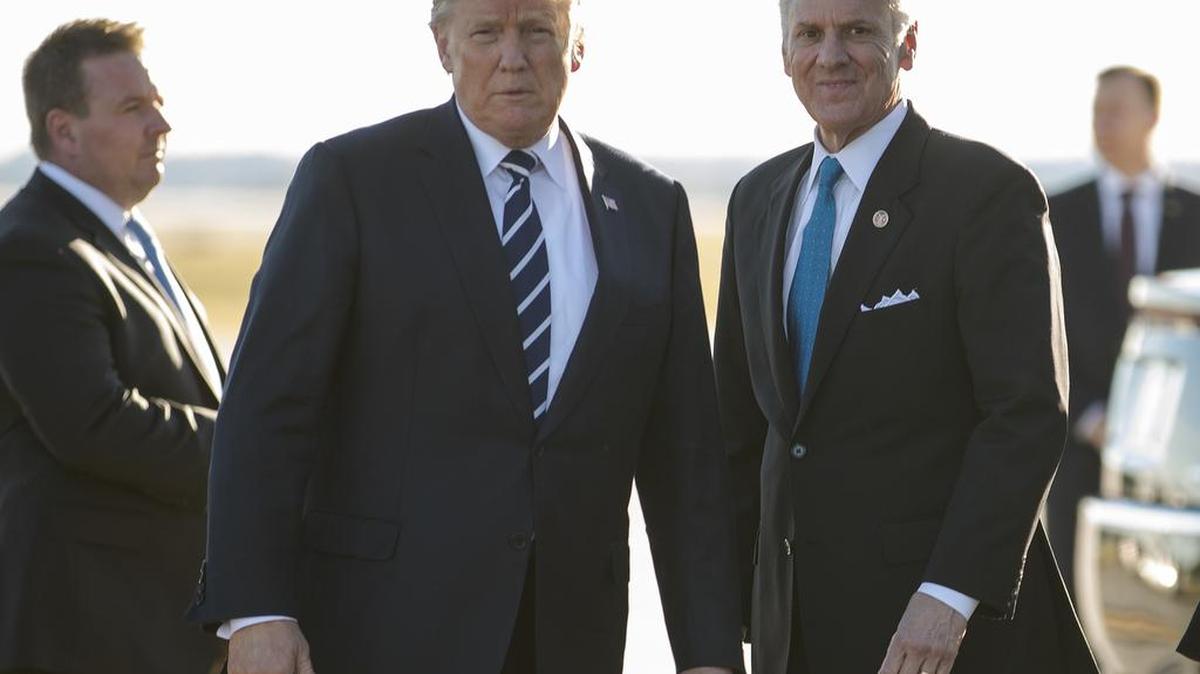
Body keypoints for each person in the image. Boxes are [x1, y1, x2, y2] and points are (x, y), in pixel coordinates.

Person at [185, 1, 744, 672]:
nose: (512, 57)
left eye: (537, 31)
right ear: (443, 47)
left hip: (571, 638)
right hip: (381, 627)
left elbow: (686, 461)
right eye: (486, 33)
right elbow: (266, 408)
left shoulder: (652, 207)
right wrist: (258, 610)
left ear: (576, 47)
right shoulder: (353, 179)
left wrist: (708, 652)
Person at [713, 0, 1098, 671]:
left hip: (939, 636)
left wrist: (948, 598)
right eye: (808, 34)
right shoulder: (756, 200)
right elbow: (740, 432)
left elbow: (1025, 415)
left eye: (858, 31)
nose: (829, 55)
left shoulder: (986, 193)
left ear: (908, 45)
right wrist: (720, 624)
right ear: (783, 54)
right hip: (793, 631)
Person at [0, 19, 225, 674]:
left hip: (155, 622)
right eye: (133, 108)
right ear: (64, 130)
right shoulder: (31, 249)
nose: (161, 125)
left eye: (156, 104)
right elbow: (93, 423)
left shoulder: (124, 235)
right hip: (87, 629)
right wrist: (252, 444)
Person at [1046, 66, 1200, 595]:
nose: (1103, 122)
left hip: (1180, 469)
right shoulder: (1054, 214)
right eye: (1097, 111)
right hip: (1081, 459)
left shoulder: (1197, 212)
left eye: (1117, 110)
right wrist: (1088, 416)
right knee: (1080, 622)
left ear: (1152, 116)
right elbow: (1040, 334)